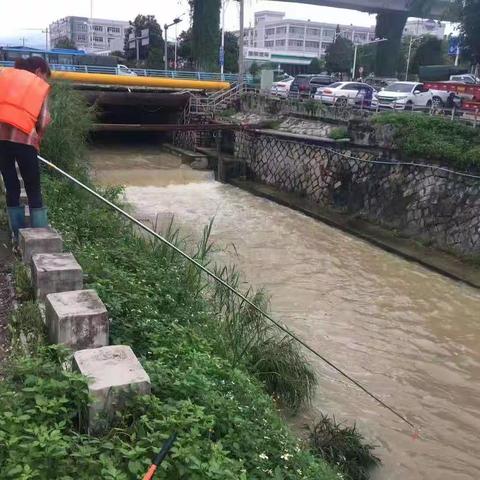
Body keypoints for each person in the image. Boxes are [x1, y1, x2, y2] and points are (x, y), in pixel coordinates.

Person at [0, 57, 51, 239]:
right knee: (33, 187)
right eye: (45, 76)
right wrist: (38, 136)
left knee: (11, 185)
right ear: (38, 71)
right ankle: (40, 235)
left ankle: (16, 235)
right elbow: (43, 120)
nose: (44, 80)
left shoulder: (4, 75)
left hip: (1, 140)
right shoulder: (38, 86)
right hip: (25, 140)